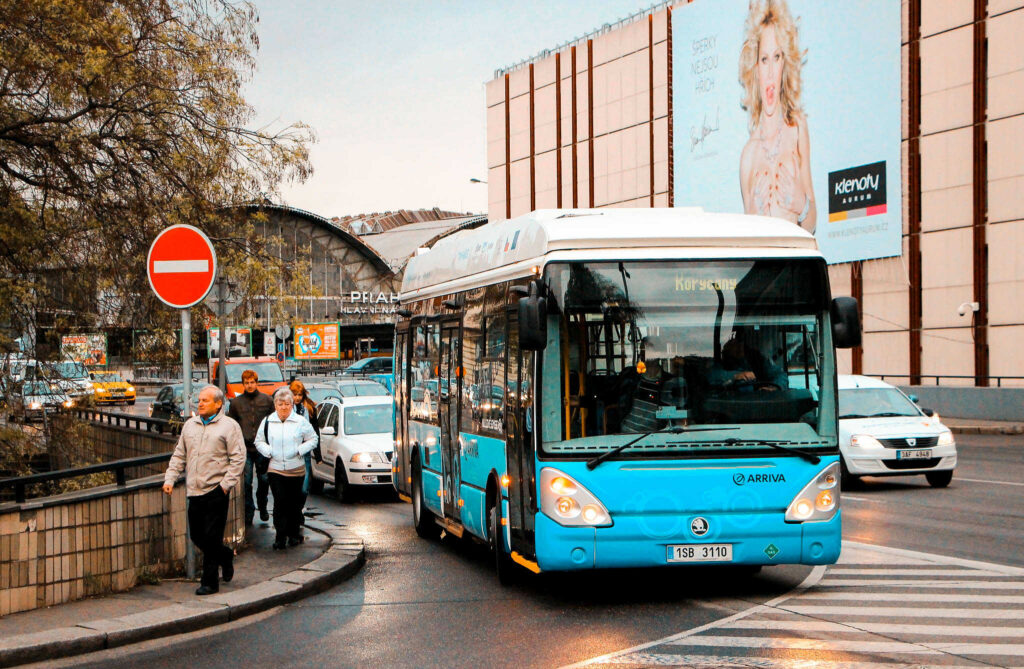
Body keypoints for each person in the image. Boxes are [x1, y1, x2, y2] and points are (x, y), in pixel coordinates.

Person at [738, 0, 816, 232]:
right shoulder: (748, 155)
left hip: (795, 264)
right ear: (755, 68)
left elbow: (812, 225)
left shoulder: (797, 128)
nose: (770, 71)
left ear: (785, 63)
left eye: (777, 57)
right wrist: (752, 214)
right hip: (767, 266)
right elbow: (748, 247)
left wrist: (801, 205)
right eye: (764, 60)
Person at [162, 385, 246, 595]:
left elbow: (238, 458)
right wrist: (170, 478)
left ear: (218, 404)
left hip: (216, 490)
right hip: (194, 490)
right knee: (198, 536)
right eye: (199, 400)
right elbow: (179, 455)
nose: (200, 404)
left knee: (212, 537)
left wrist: (225, 486)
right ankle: (225, 556)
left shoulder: (229, 426)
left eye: (205, 400)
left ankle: (209, 582)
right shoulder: (190, 425)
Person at [254, 387, 318, 549]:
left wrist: (299, 450)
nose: (284, 407)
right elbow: (259, 441)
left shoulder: (300, 421)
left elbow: (313, 439)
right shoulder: (268, 421)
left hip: (296, 468)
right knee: (280, 501)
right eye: (280, 404)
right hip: (275, 468)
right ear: (275, 405)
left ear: (292, 405)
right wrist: (268, 451)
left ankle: (293, 533)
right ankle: (280, 536)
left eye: (287, 404)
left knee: (294, 503)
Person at [227, 369, 275, 526]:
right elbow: (231, 425)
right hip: (244, 448)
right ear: (243, 384)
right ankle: (249, 511)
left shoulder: (267, 401)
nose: (249, 385)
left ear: (257, 383)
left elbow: (273, 423)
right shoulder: (236, 403)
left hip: (262, 447)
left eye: (252, 382)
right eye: (246, 383)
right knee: (246, 482)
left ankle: (262, 506)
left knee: (264, 479)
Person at [288, 379, 321, 511]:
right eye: (294, 394)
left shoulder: (309, 409)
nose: (297, 398)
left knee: (304, 485)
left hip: (305, 450)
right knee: (291, 483)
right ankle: (294, 509)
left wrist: (318, 455)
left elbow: (315, 431)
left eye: (299, 395)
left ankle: (299, 508)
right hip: (289, 450)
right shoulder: (287, 408)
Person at [708, 336, 787, 390]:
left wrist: (775, 387)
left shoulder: (758, 360)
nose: (738, 346)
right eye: (733, 344)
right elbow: (711, 376)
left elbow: (780, 374)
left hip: (760, 403)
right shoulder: (722, 364)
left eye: (740, 342)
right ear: (726, 349)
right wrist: (735, 376)